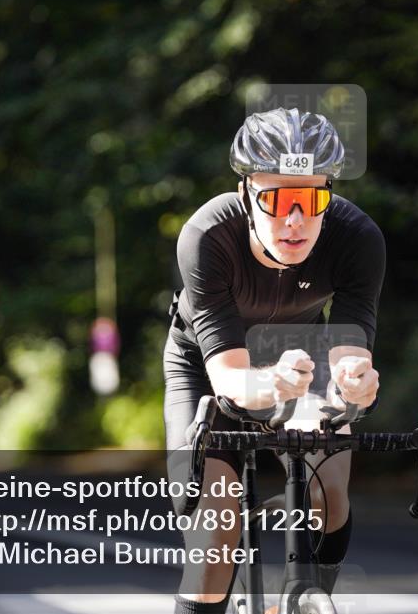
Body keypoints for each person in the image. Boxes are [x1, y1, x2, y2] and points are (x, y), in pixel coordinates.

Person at [164, 107, 385, 614]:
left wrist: (357, 385)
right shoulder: (206, 238)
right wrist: (276, 385)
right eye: (278, 199)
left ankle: (306, 599)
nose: (295, 219)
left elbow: (352, 358)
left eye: (312, 198)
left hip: (297, 360)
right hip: (208, 368)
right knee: (216, 532)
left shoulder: (357, 239)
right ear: (246, 195)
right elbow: (232, 380)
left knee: (330, 492)